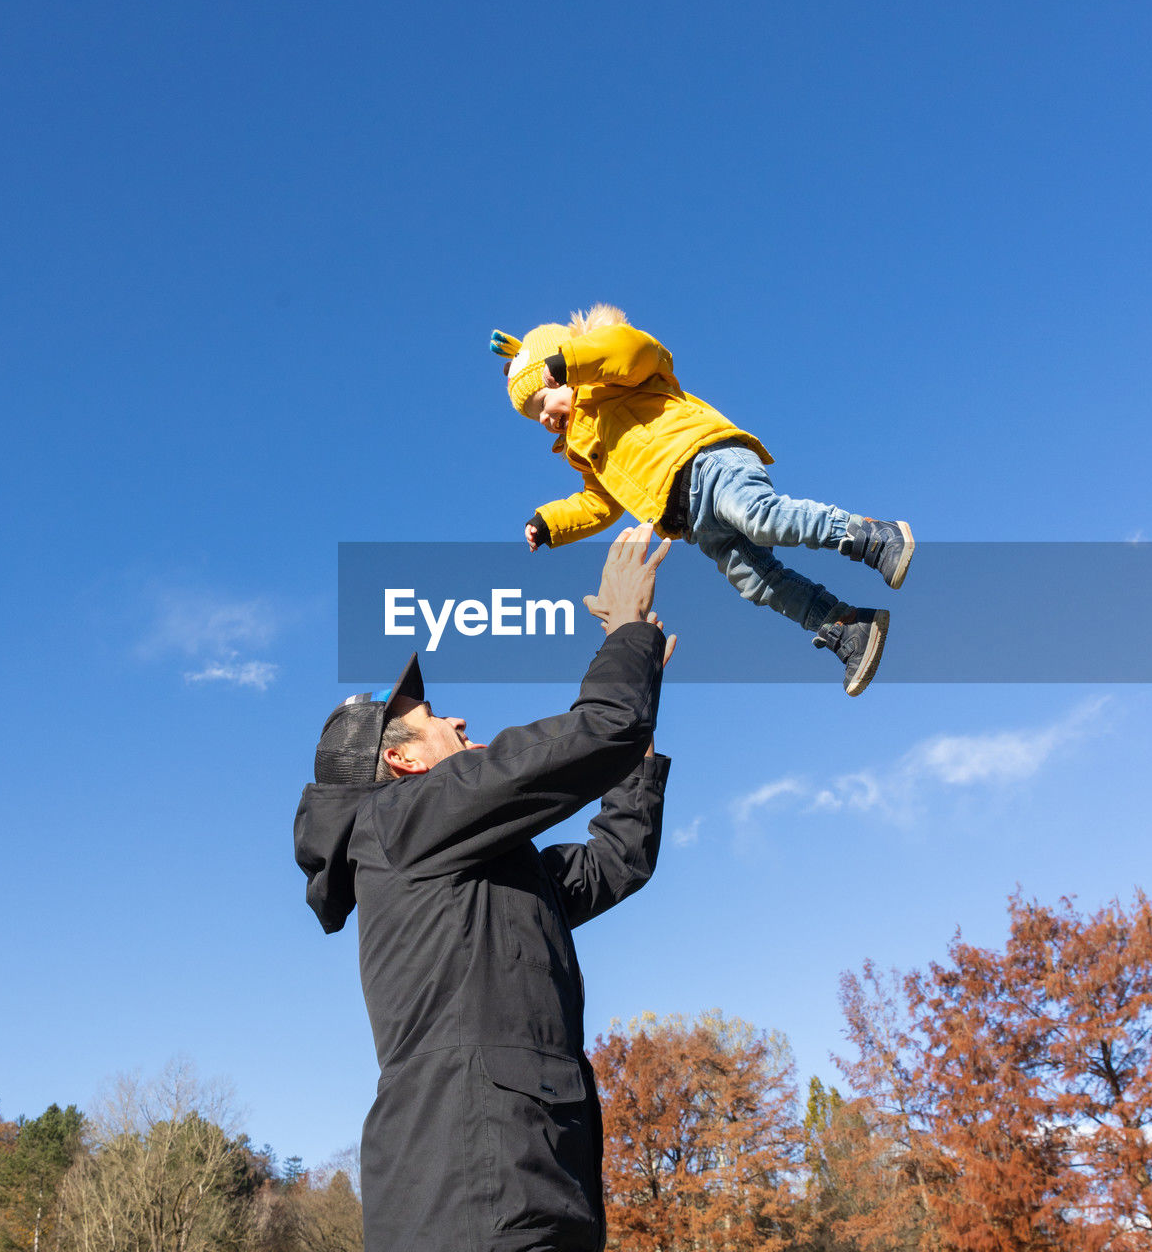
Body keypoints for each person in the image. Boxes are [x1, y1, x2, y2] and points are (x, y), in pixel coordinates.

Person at [294, 525, 675, 1252]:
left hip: (525, 1188)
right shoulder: (401, 821)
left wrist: (636, 747)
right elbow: (599, 729)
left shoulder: (480, 862)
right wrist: (627, 633)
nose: (457, 717)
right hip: (477, 1200)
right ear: (401, 762)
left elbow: (616, 860)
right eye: (432, 718)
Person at [490, 303, 915, 696]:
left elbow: (635, 350)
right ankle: (847, 626)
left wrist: (574, 359)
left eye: (544, 401)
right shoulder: (584, 450)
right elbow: (599, 505)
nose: (546, 419)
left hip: (708, 463)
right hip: (691, 522)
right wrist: (549, 523)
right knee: (754, 580)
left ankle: (873, 538)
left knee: (760, 517)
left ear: (564, 370)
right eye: (536, 418)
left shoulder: (612, 379)